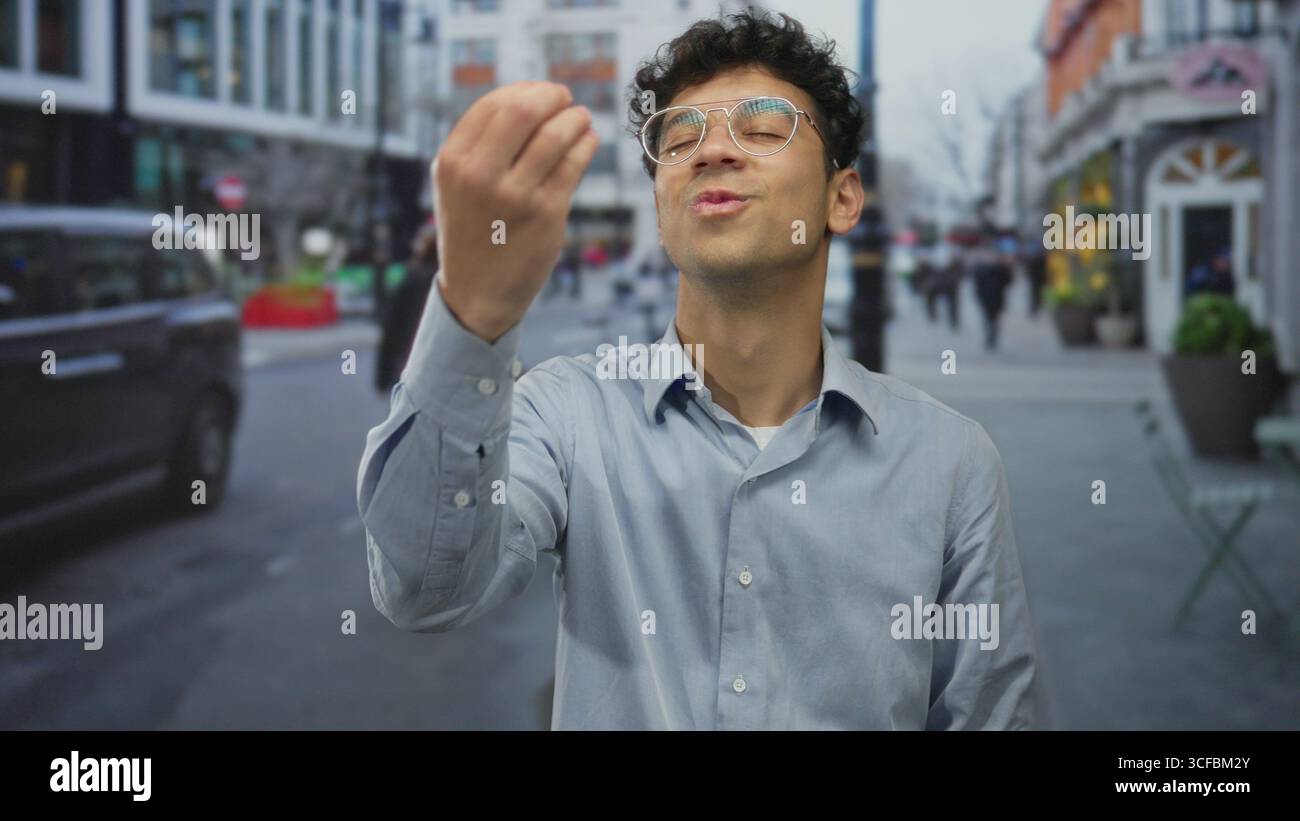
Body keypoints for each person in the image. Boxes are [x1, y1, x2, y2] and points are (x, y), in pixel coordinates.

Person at [357, 9, 1037, 730]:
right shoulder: (567, 411)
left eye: (766, 127)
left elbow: (987, 713)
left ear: (842, 198)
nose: (713, 150)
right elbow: (426, 588)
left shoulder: (950, 461)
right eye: (678, 137)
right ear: (659, 205)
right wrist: (472, 316)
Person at [374, 222, 438, 395]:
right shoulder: (459, 284)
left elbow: (392, 329)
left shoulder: (413, 278)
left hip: (412, 364)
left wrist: (383, 377)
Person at [972, 236, 1014, 351]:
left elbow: (1008, 281)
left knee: (993, 318)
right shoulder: (982, 268)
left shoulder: (998, 268)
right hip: (988, 297)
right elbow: (977, 283)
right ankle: (991, 335)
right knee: (989, 317)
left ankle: (992, 335)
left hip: (996, 297)